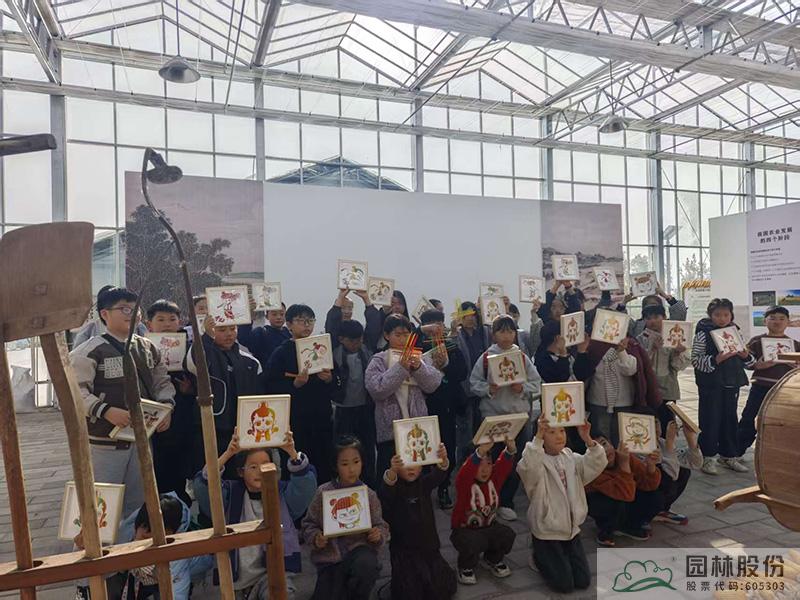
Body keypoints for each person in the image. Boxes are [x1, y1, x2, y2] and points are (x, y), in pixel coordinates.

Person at [70, 287, 175, 520]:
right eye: (124, 309)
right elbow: (74, 392)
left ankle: (132, 540)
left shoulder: (148, 347)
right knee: (101, 503)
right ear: (104, 314)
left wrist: (167, 407)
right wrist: (105, 411)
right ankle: (98, 542)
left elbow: (162, 381)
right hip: (104, 443)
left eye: (135, 309)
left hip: (142, 439)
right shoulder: (90, 350)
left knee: (139, 502)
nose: (132, 314)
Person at [194, 429, 317, 599]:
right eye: (253, 467)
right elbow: (204, 486)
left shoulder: (283, 495)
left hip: (273, 572)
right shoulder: (230, 495)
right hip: (236, 578)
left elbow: (305, 487)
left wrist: (292, 452)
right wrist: (229, 453)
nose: (260, 471)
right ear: (241, 472)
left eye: (265, 465)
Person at [516, 415, 607, 594]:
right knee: (563, 585)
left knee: (583, 581)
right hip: (547, 530)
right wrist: (537, 439)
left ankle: (559, 558)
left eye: (562, 431)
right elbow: (527, 467)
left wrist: (588, 439)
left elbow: (596, 463)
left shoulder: (570, 457)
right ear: (541, 436)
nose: (559, 436)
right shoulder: (537, 460)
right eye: (551, 432)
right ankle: (538, 555)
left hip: (571, 529)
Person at [469, 314, 541, 521]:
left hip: (518, 417)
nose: (507, 335)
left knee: (515, 458)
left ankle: (507, 500)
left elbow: (537, 383)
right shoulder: (486, 358)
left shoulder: (522, 358)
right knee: (492, 459)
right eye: (502, 331)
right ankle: (490, 498)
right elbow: (473, 383)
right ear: (493, 335)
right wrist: (488, 389)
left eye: (510, 331)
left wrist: (522, 388)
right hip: (492, 417)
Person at [301, 436, 389, 600]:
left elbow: (381, 525)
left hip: (360, 552)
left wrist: (378, 535)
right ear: (335, 466)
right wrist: (316, 538)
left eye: (356, 462)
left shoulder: (368, 495)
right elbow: (308, 524)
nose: (351, 469)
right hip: (330, 559)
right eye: (345, 464)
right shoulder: (323, 493)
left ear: (362, 462)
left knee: (366, 566)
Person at [266, 304, 338, 484]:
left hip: (321, 418)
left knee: (324, 464)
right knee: (296, 466)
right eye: (300, 321)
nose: (306, 325)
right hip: (295, 421)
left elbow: (338, 382)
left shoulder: (322, 349)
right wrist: (294, 384)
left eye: (310, 321)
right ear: (289, 324)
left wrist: (329, 379)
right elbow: (270, 385)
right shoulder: (281, 352)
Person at [365, 313, 443, 477]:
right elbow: (376, 389)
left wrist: (419, 368)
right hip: (390, 432)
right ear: (387, 335)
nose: (402, 339)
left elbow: (433, 385)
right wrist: (400, 368)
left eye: (406, 335)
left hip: (418, 429)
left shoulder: (419, 357)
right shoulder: (379, 360)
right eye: (397, 335)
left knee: (420, 477)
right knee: (391, 477)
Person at [186, 316, 263, 481]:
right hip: (211, 429)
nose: (229, 334)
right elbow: (194, 363)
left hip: (242, 431)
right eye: (221, 330)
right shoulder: (203, 351)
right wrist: (206, 337)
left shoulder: (250, 361)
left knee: (240, 478)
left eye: (233, 329)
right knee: (210, 478)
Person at [380, 443, 457, 600]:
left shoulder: (424, 483)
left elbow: (439, 475)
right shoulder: (394, 487)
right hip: (404, 552)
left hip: (428, 549)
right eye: (405, 463)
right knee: (410, 593)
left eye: (415, 462)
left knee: (440, 590)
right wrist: (392, 472)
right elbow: (384, 495)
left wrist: (442, 459)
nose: (411, 468)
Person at [691, 298, 754, 475]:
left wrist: (745, 356)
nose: (722, 318)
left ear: (731, 315)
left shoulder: (735, 332)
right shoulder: (703, 333)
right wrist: (716, 359)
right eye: (717, 315)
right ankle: (708, 457)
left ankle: (729, 456)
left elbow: (748, 361)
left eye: (726, 315)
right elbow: (695, 359)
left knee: (730, 419)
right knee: (710, 420)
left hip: (732, 383)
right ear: (710, 316)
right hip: (710, 386)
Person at [115, 493, 213, 600]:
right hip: (144, 574)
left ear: (171, 534)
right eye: (144, 537)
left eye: (153, 540)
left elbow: (177, 594)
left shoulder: (178, 554)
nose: (147, 542)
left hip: (183, 573)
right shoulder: (128, 532)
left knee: (166, 590)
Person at [417, 308, 468, 509]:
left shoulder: (450, 345)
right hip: (423, 405)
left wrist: (445, 365)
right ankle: (423, 489)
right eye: (431, 325)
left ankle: (444, 487)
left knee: (447, 446)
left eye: (439, 324)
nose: (436, 329)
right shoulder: (417, 345)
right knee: (423, 448)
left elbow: (462, 372)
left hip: (447, 405)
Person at [145, 299, 195, 505]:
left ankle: (180, 503)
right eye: (161, 319)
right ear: (149, 324)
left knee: (181, 461)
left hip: (183, 413)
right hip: (154, 414)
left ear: (180, 321)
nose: (167, 324)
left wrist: (190, 389)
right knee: (158, 463)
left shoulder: (191, 347)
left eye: (172, 319)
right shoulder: (141, 347)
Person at [450, 439, 517, 586]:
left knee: (507, 534)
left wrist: (510, 449)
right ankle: (465, 566)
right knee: (472, 543)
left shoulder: (494, 479)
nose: (485, 469)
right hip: (465, 530)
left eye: (488, 463)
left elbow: (503, 466)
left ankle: (492, 558)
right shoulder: (464, 483)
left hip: (489, 526)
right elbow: (465, 473)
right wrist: (479, 453)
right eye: (479, 464)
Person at [737, 305, 800, 458]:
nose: (777, 322)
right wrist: (757, 365)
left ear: (788, 322)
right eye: (772, 318)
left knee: (781, 422)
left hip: (785, 391)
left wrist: (796, 366)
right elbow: (745, 362)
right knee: (749, 419)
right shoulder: (756, 341)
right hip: (760, 387)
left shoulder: (795, 344)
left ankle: (776, 456)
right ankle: (735, 453)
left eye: (782, 319)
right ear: (765, 321)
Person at [585, 437, 662, 546]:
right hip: (605, 504)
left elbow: (650, 485)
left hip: (625, 496)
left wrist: (651, 465)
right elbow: (625, 495)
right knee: (616, 502)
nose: (604, 451)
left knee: (656, 496)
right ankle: (606, 531)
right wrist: (624, 464)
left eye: (604, 444)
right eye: (597, 449)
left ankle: (630, 526)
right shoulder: (592, 471)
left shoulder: (623, 456)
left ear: (612, 444)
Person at [586, 335, 662, 445]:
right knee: (601, 439)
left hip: (624, 402)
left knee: (623, 439)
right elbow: (586, 370)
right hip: (598, 401)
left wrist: (622, 351)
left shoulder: (631, 345)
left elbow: (631, 369)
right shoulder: (594, 345)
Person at [331, 319, 376, 488]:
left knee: (368, 449)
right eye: (352, 340)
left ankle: (369, 485)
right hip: (343, 410)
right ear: (341, 339)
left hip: (366, 408)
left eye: (359, 339)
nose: (356, 344)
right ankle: (344, 485)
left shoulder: (367, 352)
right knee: (343, 450)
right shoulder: (334, 355)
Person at [636, 304, 691, 431]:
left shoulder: (673, 336)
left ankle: (668, 443)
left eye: (656, 317)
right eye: (648, 318)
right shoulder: (640, 339)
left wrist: (678, 352)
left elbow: (678, 366)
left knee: (668, 423)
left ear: (665, 317)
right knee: (649, 424)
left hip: (668, 388)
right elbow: (638, 364)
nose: (652, 321)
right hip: (647, 389)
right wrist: (652, 349)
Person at [454, 301, 492, 463]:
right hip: (465, 389)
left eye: (473, 315)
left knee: (482, 426)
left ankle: (483, 460)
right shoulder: (457, 335)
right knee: (465, 430)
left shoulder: (484, 333)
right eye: (466, 315)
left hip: (484, 386)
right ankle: (464, 462)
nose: (470, 318)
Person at [654, 419, 702, 525]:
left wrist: (690, 439)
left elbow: (695, 464)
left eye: (656, 422)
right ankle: (649, 512)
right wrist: (669, 445)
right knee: (665, 476)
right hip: (642, 497)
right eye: (649, 423)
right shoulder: (636, 449)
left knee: (684, 470)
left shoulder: (661, 442)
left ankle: (661, 509)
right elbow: (671, 475)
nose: (655, 428)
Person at [237, 302, 292, 370]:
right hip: (266, 373)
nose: (278, 317)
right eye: (274, 314)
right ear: (267, 316)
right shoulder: (261, 333)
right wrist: (250, 317)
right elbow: (244, 338)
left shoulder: (289, 334)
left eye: (282, 314)